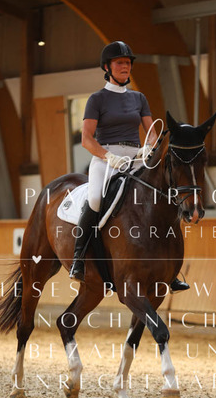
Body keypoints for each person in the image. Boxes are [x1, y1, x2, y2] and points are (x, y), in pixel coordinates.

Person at [69, 40, 189, 292]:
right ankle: (79, 258)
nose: (125, 66)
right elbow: (86, 139)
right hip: (106, 158)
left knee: (162, 198)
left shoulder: (138, 98)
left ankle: (171, 270)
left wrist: (149, 148)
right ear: (107, 67)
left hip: (136, 157)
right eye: (119, 63)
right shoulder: (97, 99)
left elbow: (151, 132)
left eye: (127, 62)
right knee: (95, 199)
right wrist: (108, 156)